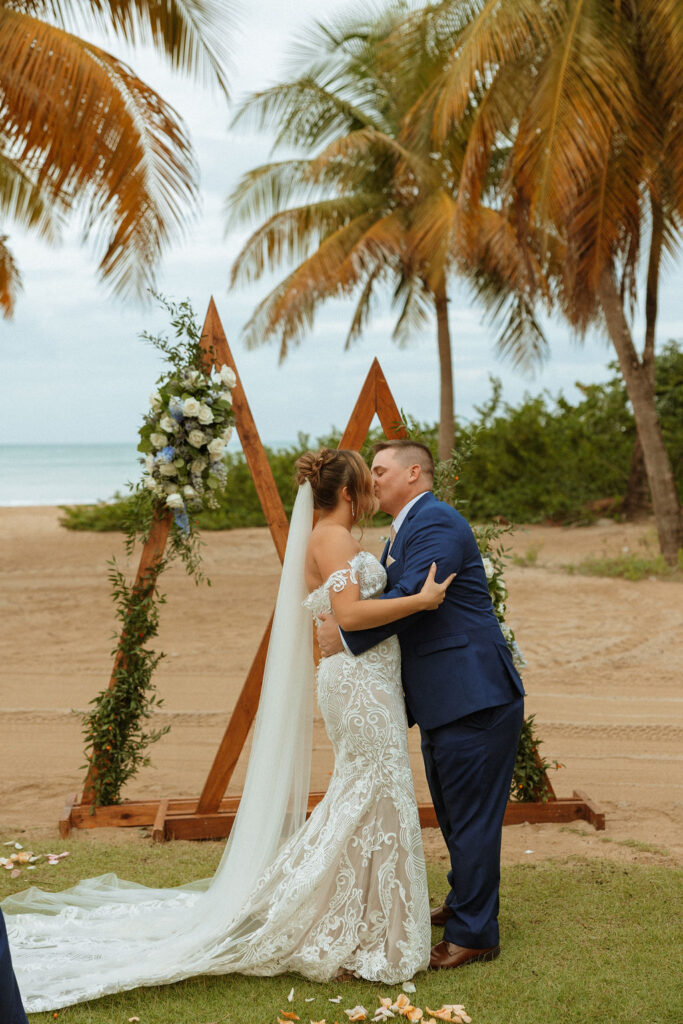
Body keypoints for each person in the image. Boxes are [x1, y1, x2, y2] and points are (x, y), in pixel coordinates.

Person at [4, 448, 451, 1011]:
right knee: (369, 792)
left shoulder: (330, 536)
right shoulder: (332, 539)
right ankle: (331, 922)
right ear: (347, 493)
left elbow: (343, 614)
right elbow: (352, 616)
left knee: (366, 794)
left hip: (364, 681)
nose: (370, 494)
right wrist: (422, 599)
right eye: (367, 483)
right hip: (359, 685)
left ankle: (354, 919)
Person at [317, 439, 525, 970]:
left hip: (472, 695)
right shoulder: (403, 530)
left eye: (382, 470)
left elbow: (412, 598)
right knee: (457, 815)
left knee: (472, 818)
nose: (373, 480)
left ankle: (474, 933)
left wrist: (345, 635)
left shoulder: (436, 523)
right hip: (444, 698)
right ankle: (463, 904)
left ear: (414, 473)